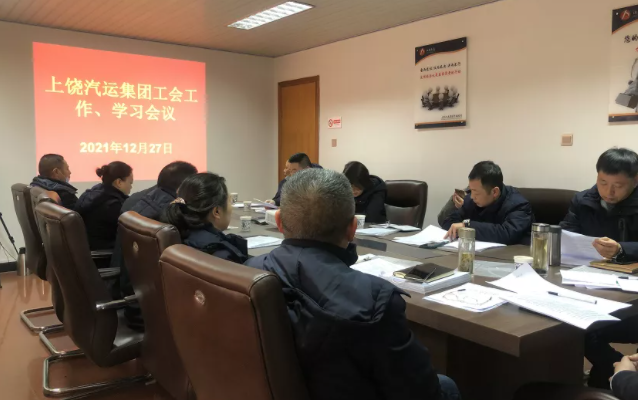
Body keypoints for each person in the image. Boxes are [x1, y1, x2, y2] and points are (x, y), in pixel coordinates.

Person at [245, 168, 460, 400]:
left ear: (279, 222)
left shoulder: (248, 273)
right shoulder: (376, 301)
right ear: (353, 228)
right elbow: (422, 392)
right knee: (446, 385)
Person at [560, 148, 638, 389]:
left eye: (618, 185)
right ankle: (619, 368)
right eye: (603, 182)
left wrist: (622, 249)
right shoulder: (583, 200)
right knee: (569, 327)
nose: (609, 192)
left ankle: (618, 375)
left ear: (635, 180)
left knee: (585, 330)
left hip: (630, 295)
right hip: (589, 286)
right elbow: (566, 233)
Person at [113, 161, 198, 329]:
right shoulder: (170, 215)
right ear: (183, 188)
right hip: (155, 312)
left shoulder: (142, 202)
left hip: (136, 301)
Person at [161, 172, 248, 264]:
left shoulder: (179, 234)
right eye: (229, 201)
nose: (231, 207)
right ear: (217, 212)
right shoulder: (223, 256)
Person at [442, 161, 533, 245]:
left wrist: (467, 226)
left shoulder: (518, 205)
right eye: (471, 190)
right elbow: (449, 222)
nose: (472, 196)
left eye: (476, 192)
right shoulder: (472, 200)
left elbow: (506, 233)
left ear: (495, 192)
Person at [75, 162, 133, 251]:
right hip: (104, 253)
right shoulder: (113, 205)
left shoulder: (90, 195)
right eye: (130, 183)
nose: (131, 187)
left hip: (87, 249)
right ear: (119, 182)